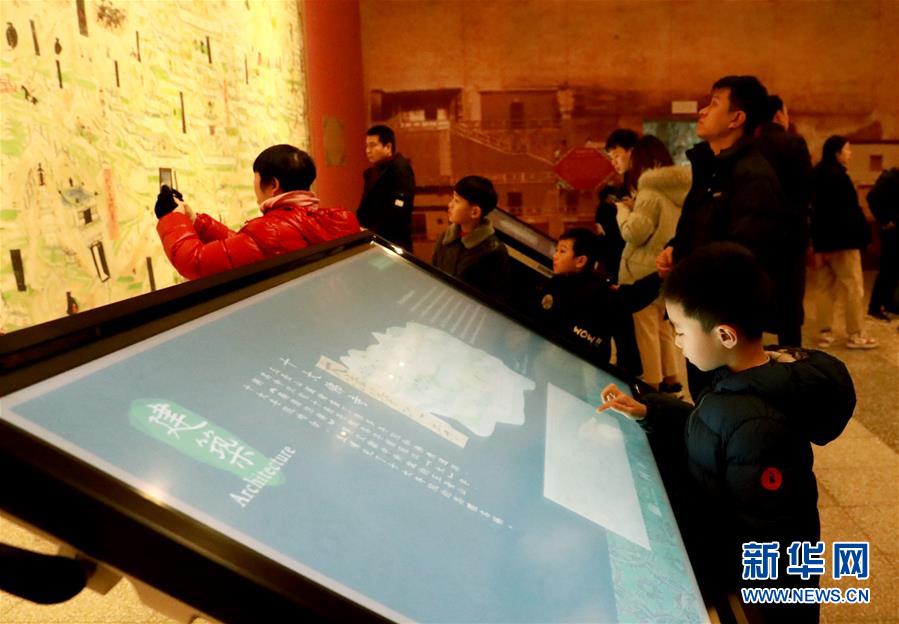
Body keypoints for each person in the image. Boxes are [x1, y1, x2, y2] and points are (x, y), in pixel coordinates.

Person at [599, 243, 855, 624]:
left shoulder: (759, 430)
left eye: (681, 331)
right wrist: (653, 410)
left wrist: (725, 598)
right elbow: (715, 428)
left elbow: (771, 539)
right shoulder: (738, 383)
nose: (677, 341)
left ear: (725, 335)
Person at [655, 75, 786, 397]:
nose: (702, 111)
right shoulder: (711, 169)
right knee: (704, 399)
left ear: (736, 118)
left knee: (724, 403)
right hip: (699, 311)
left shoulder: (753, 175)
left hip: (720, 322)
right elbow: (698, 226)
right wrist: (675, 249)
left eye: (714, 104)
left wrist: (690, 273)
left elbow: (742, 258)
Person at [156, 145, 359, 280]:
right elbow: (248, 248)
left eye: (255, 177)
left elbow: (194, 262)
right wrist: (196, 222)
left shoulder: (270, 231)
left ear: (273, 185)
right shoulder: (339, 220)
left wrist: (172, 217)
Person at [616, 135, 690, 393]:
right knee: (663, 328)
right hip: (665, 267)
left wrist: (623, 211)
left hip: (641, 271)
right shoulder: (679, 192)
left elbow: (634, 233)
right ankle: (671, 378)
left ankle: (650, 384)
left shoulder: (649, 191)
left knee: (645, 331)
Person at [536, 228, 641, 375]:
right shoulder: (555, 283)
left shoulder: (605, 296)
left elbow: (627, 352)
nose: (555, 256)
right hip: (545, 362)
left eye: (562, 251)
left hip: (584, 371)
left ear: (580, 261)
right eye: (556, 250)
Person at [755, 94, 813, 346]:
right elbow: (806, 190)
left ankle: (752, 360)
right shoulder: (794, 143)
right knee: (789, 305)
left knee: (755, 302)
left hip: (755, 236)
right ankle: (790, 359)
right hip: (790, 237)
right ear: (779, 115)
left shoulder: (750, 146)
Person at [810, 136, 878, 349]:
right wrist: (863, 237)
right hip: (843, 243)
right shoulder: (839, 178)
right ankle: (855, 334)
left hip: (823, 243)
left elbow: (816, 213)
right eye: (847, 149)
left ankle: (824, 333)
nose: (850, 153)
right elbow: (847, 213)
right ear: (837, 153)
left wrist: (819, 245)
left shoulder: (816, 174)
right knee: (853, 288)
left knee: (824, 288)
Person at [432, 176, 510, 299]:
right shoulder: (446, 237)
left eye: (456, 201)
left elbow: (495, 299)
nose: (450, 205)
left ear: (475, 212)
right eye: (452, 198)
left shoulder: (494, 251)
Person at [358, 125, 416, 250]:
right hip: (373, 239)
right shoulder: (371, 173)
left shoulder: (401, 170)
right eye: (367, 146)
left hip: (394, 241)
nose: (368, 150)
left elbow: (400, 210)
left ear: (388, 147)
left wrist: (374, 230)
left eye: (373, 145)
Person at [595, 128, 638, 281]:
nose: (613, 163)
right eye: (611, 158)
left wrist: (634, 207)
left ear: (631, 152)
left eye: (616, 156)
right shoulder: (627, 182)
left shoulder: (646, 181)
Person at [866, 167, 899, 320]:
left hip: (893, 229)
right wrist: (885, 219)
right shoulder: (891, 178)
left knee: (893, 270)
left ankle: (887, 303)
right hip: (892, 231)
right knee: (887, 270)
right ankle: (875, 306)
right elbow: (872, 197)